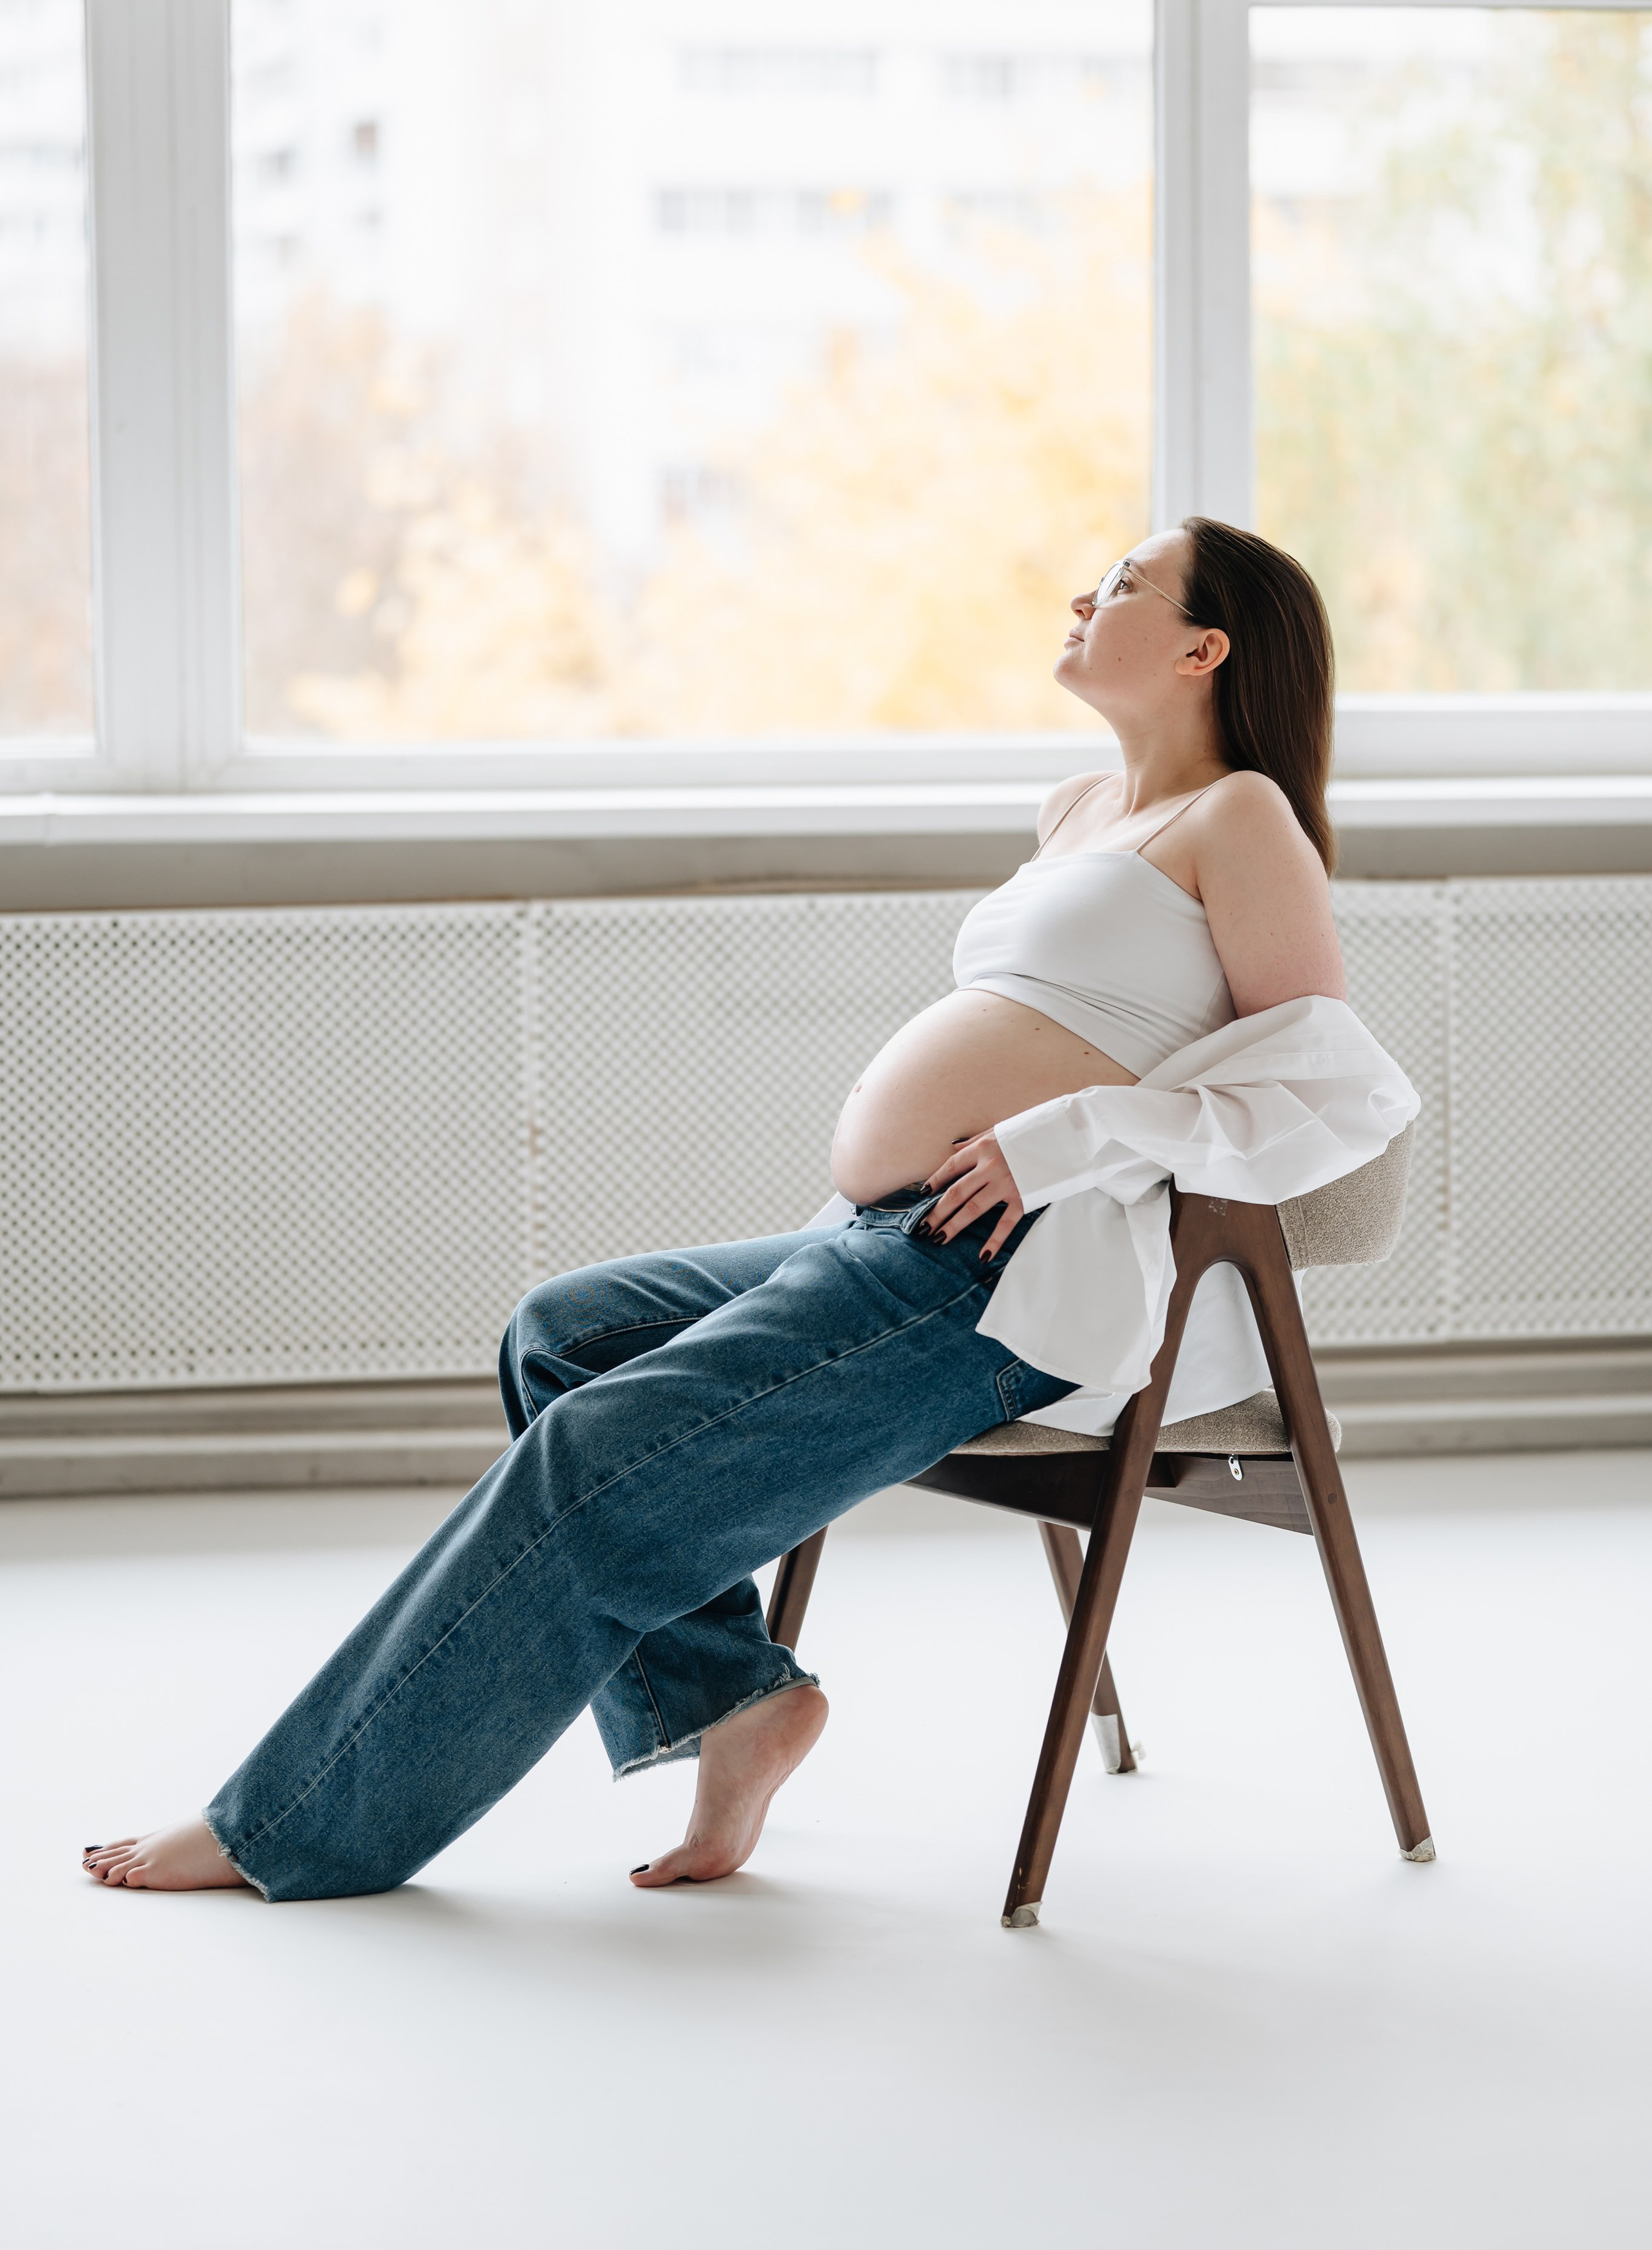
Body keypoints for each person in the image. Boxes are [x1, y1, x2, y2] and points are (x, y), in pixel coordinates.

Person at [82, 515, 1354, 1902]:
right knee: (563, 1333)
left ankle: (294, 1819)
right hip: (881, 1232)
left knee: (592, 1457)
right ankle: (733, 1696)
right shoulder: (1075, 809)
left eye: (1119, 584)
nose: (1077, 593)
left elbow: (1319, 1091)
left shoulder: (1241, 818)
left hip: (998, 1271)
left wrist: (1070, 1133)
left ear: (1198, 646)